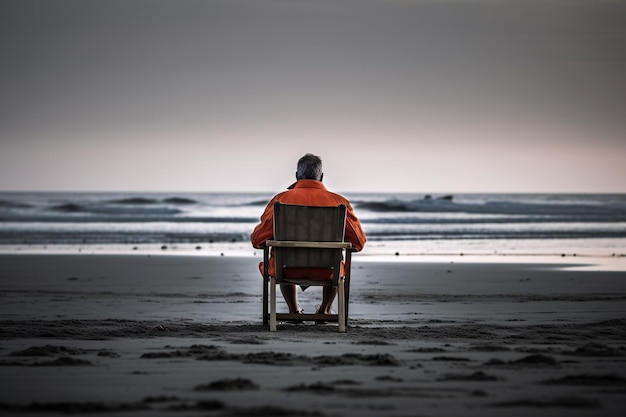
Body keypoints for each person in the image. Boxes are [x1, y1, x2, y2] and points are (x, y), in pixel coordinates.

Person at [250, 153, 366, 316]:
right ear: (322, 177)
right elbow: (359, 242)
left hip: (286, 270)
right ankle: (324, 310)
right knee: (336, 257)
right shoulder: (340, 203)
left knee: (280, 253)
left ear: (297, 176)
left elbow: (257, 239)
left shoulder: (280, 200)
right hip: (328, 271)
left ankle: (294, 310)